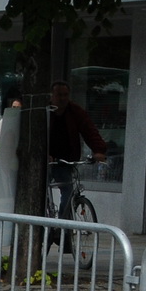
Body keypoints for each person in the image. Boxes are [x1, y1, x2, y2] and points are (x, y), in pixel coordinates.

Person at [47, 81, 107, 220]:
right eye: (59, 95)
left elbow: (89, 130)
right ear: (52, 96)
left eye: (65, 95)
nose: (62, 98)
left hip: (67, 159)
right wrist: (44, 154)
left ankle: (63, 226)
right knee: (41, 193)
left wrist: (99, 150)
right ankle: (43, 222)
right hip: (47, 159)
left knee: (68, 193)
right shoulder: (46, 111)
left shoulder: (75, 111)